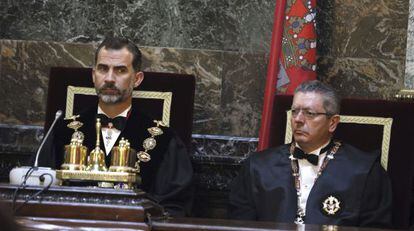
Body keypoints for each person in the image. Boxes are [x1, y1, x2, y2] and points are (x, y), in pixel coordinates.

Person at [39, 37, 193, 217]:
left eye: (120, 70)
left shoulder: (164, 140)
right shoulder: (60, 132)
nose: (110, 79)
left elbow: (174, 208)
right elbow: (37, 193)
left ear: (137, 79)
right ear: (93, 75)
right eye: (103, 69)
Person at [228, 80, 392, 227]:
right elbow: (240, 224)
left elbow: (376, 227)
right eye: (295, 111)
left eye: (309, 113)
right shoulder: (258, 166)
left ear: (332, 123)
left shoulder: (364, 170)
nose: (298, 119)